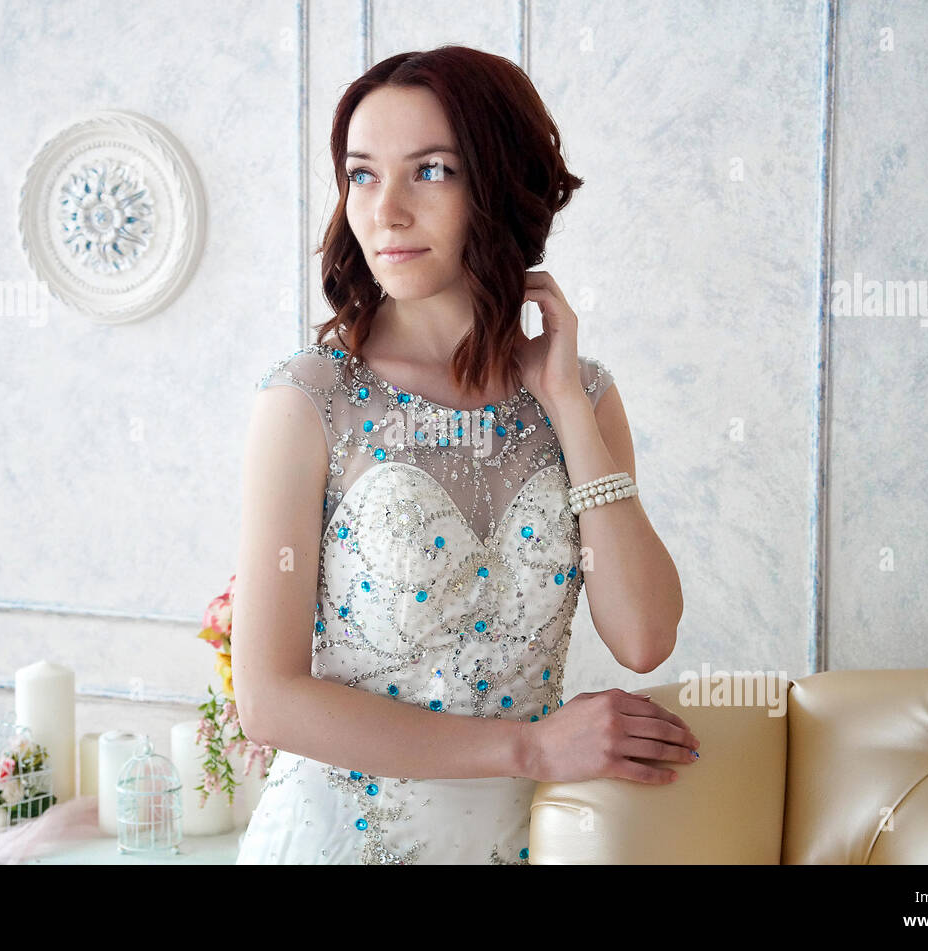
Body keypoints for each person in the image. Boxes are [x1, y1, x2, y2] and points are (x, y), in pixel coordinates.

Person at [231, 45, 691, 864]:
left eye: (430, 171)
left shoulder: (580, 396)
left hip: (510, 845)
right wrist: (532, 749)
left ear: (499, 181)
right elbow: (268, 701)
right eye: (363, 175)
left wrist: (564, 405)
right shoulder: (308, 401)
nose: (386, 210)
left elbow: (645, 633)